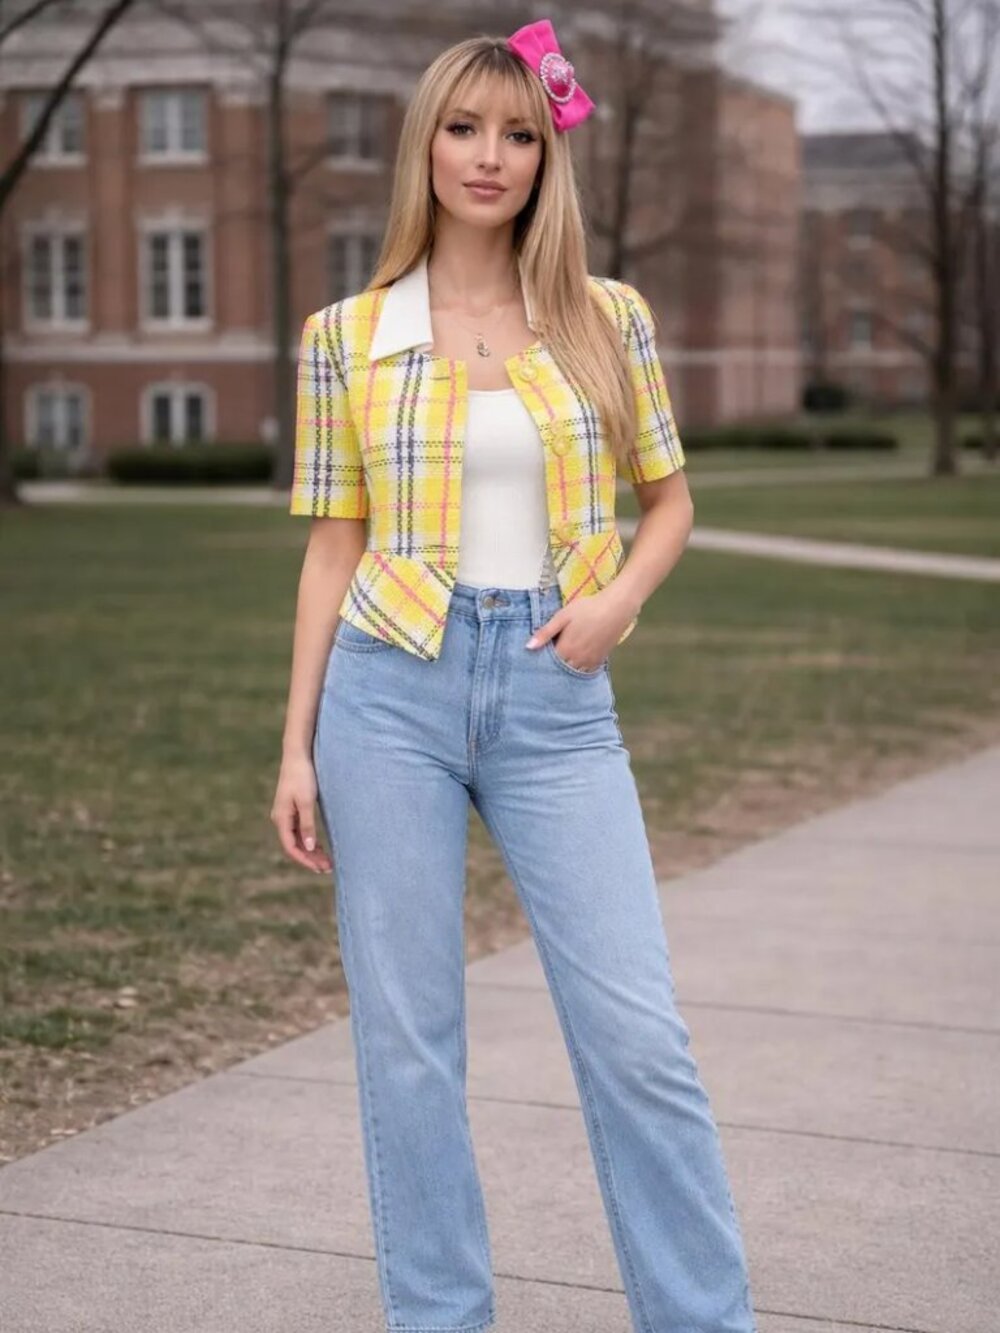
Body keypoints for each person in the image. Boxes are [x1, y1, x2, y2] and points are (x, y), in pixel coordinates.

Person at [272, 18, 757, 1333]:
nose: (491, 157)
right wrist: (297, 743)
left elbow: (671, 501)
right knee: (410, 1047)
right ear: (425, 143)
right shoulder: (350, 334)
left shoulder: (606, 320)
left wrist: (615, 603)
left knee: (640, 1042)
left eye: (520, 134)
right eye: (465, 127)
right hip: (388, 694)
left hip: (555, 698)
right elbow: (334, 545)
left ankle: (703, 1319)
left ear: (550, 154)